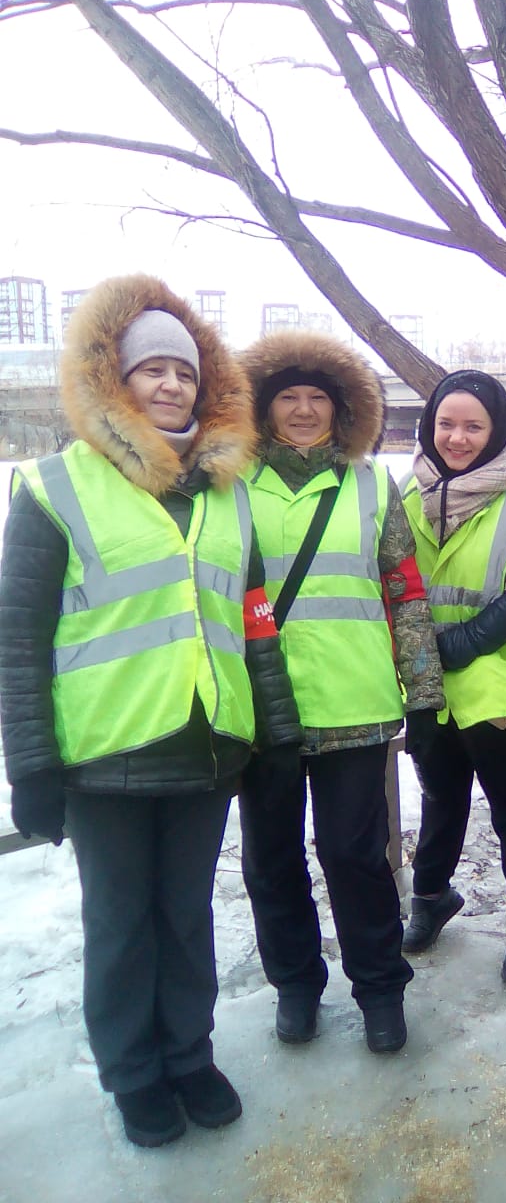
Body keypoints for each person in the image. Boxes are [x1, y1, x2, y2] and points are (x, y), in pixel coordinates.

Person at [0, 275, 301, 1148]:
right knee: (121, 926)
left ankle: (190, 1055)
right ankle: (133, 1074)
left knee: (187, 916)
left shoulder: (226, 491)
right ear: (113, 381)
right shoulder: (56, 487)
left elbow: (254, 621)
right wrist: (31, 762)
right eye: (151, 371)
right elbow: (20, 639)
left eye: (184, 373)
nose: (170, 386)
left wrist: (273, 731)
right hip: (106, 753)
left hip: (209, 746)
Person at [235, 330, 444, 1054]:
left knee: (357, 858)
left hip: (354, 706)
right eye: (287, 397)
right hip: (260, 711)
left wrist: (423, 690)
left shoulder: (371, 485)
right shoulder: (229, 483)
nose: (300, 410)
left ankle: (381, 988)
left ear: (340, 408)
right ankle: (296, 985)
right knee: (270, 859)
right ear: (262, 408)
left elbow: (404, 592)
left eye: (315, 397)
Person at [398, 371, 506, 986]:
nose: (457, 438)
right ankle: (431, 898)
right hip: (427, 686)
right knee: (441, 799)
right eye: (446, 424)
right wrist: (424, 659)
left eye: (473, 426)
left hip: (499, 684)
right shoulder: (407, 497)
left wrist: (457, 645)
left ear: (496, 431)